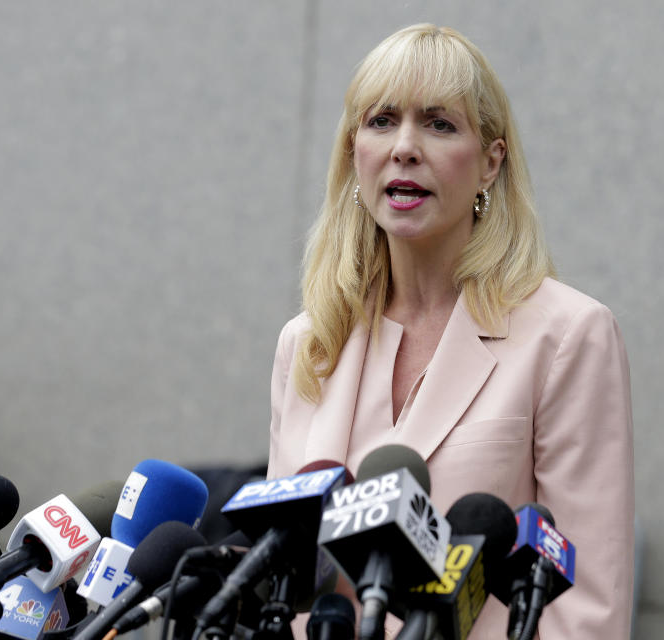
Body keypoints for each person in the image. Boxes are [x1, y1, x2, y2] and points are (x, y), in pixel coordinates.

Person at [267, 23, 633, 639]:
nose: (405, 147)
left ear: (491, 161)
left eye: (439, 124)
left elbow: (587, 606)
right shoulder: (309, 344)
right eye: (382, 121)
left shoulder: (568, 335)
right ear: (354, 150)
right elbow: (285, 582)